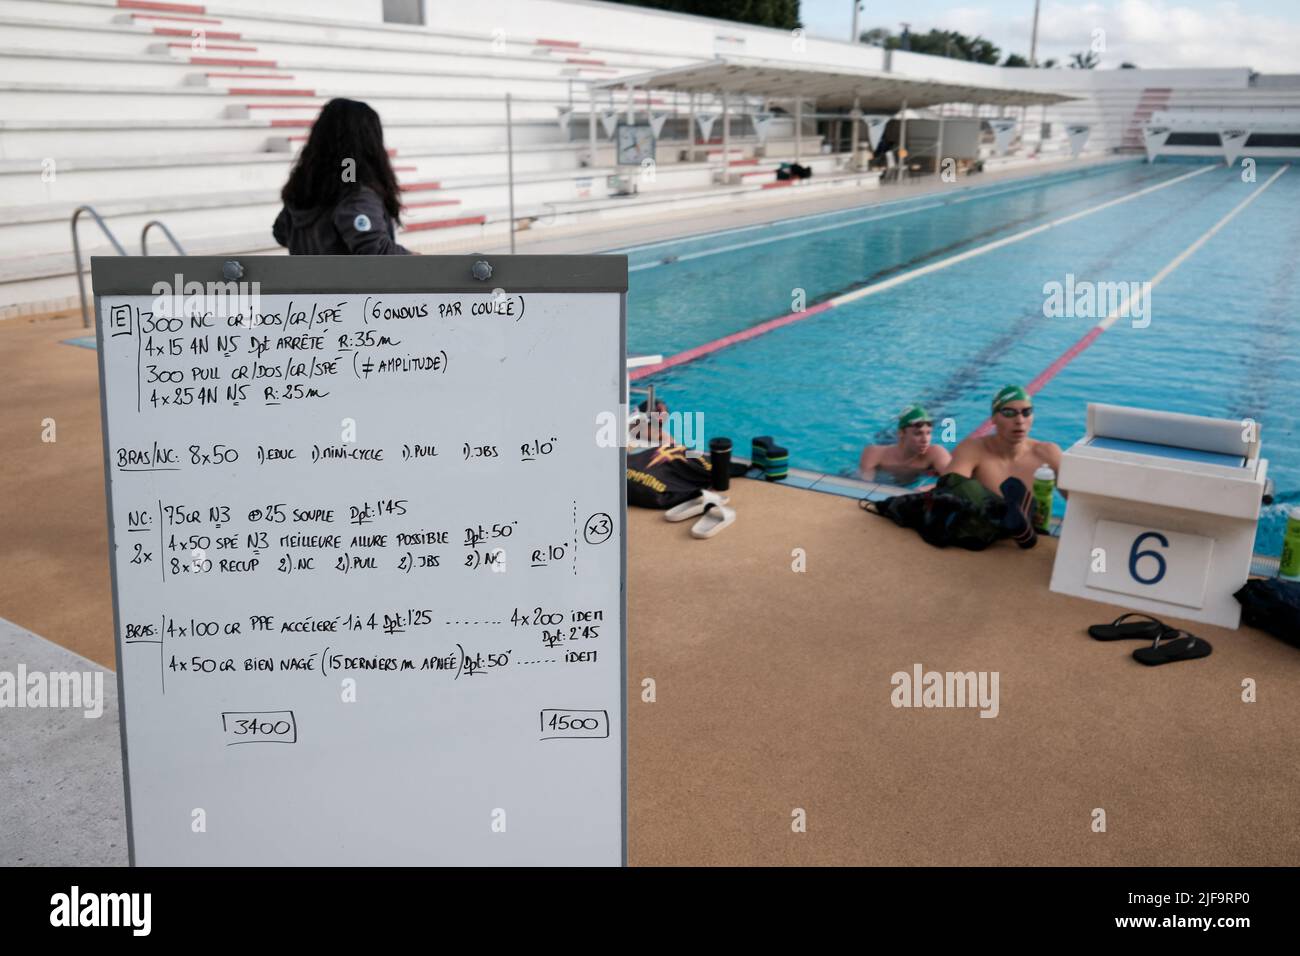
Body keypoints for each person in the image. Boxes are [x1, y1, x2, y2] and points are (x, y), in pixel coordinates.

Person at [272, 98, 411, 256]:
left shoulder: (302, 194)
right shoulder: (354, 195)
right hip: (348, 280)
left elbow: (281, 233)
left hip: (306, 279)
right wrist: (417, 259)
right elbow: (375, 249)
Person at [944, 384, 1064, 545]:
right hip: (987, 539)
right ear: (993, 418)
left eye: (1026, 412)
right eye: (1009, 413)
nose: (1020, 420)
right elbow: (948, 490)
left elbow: (1082, 501)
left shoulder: (1048, 453)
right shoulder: (973, 449)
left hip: (1034, 539)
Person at [858, 404, 951, 487]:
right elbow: (864, 486)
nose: (925, 440)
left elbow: (956, 481)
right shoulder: (874, 454)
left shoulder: (935, 453)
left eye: (929, 433)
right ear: (901, 433)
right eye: (918, 433)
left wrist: (925, 490)